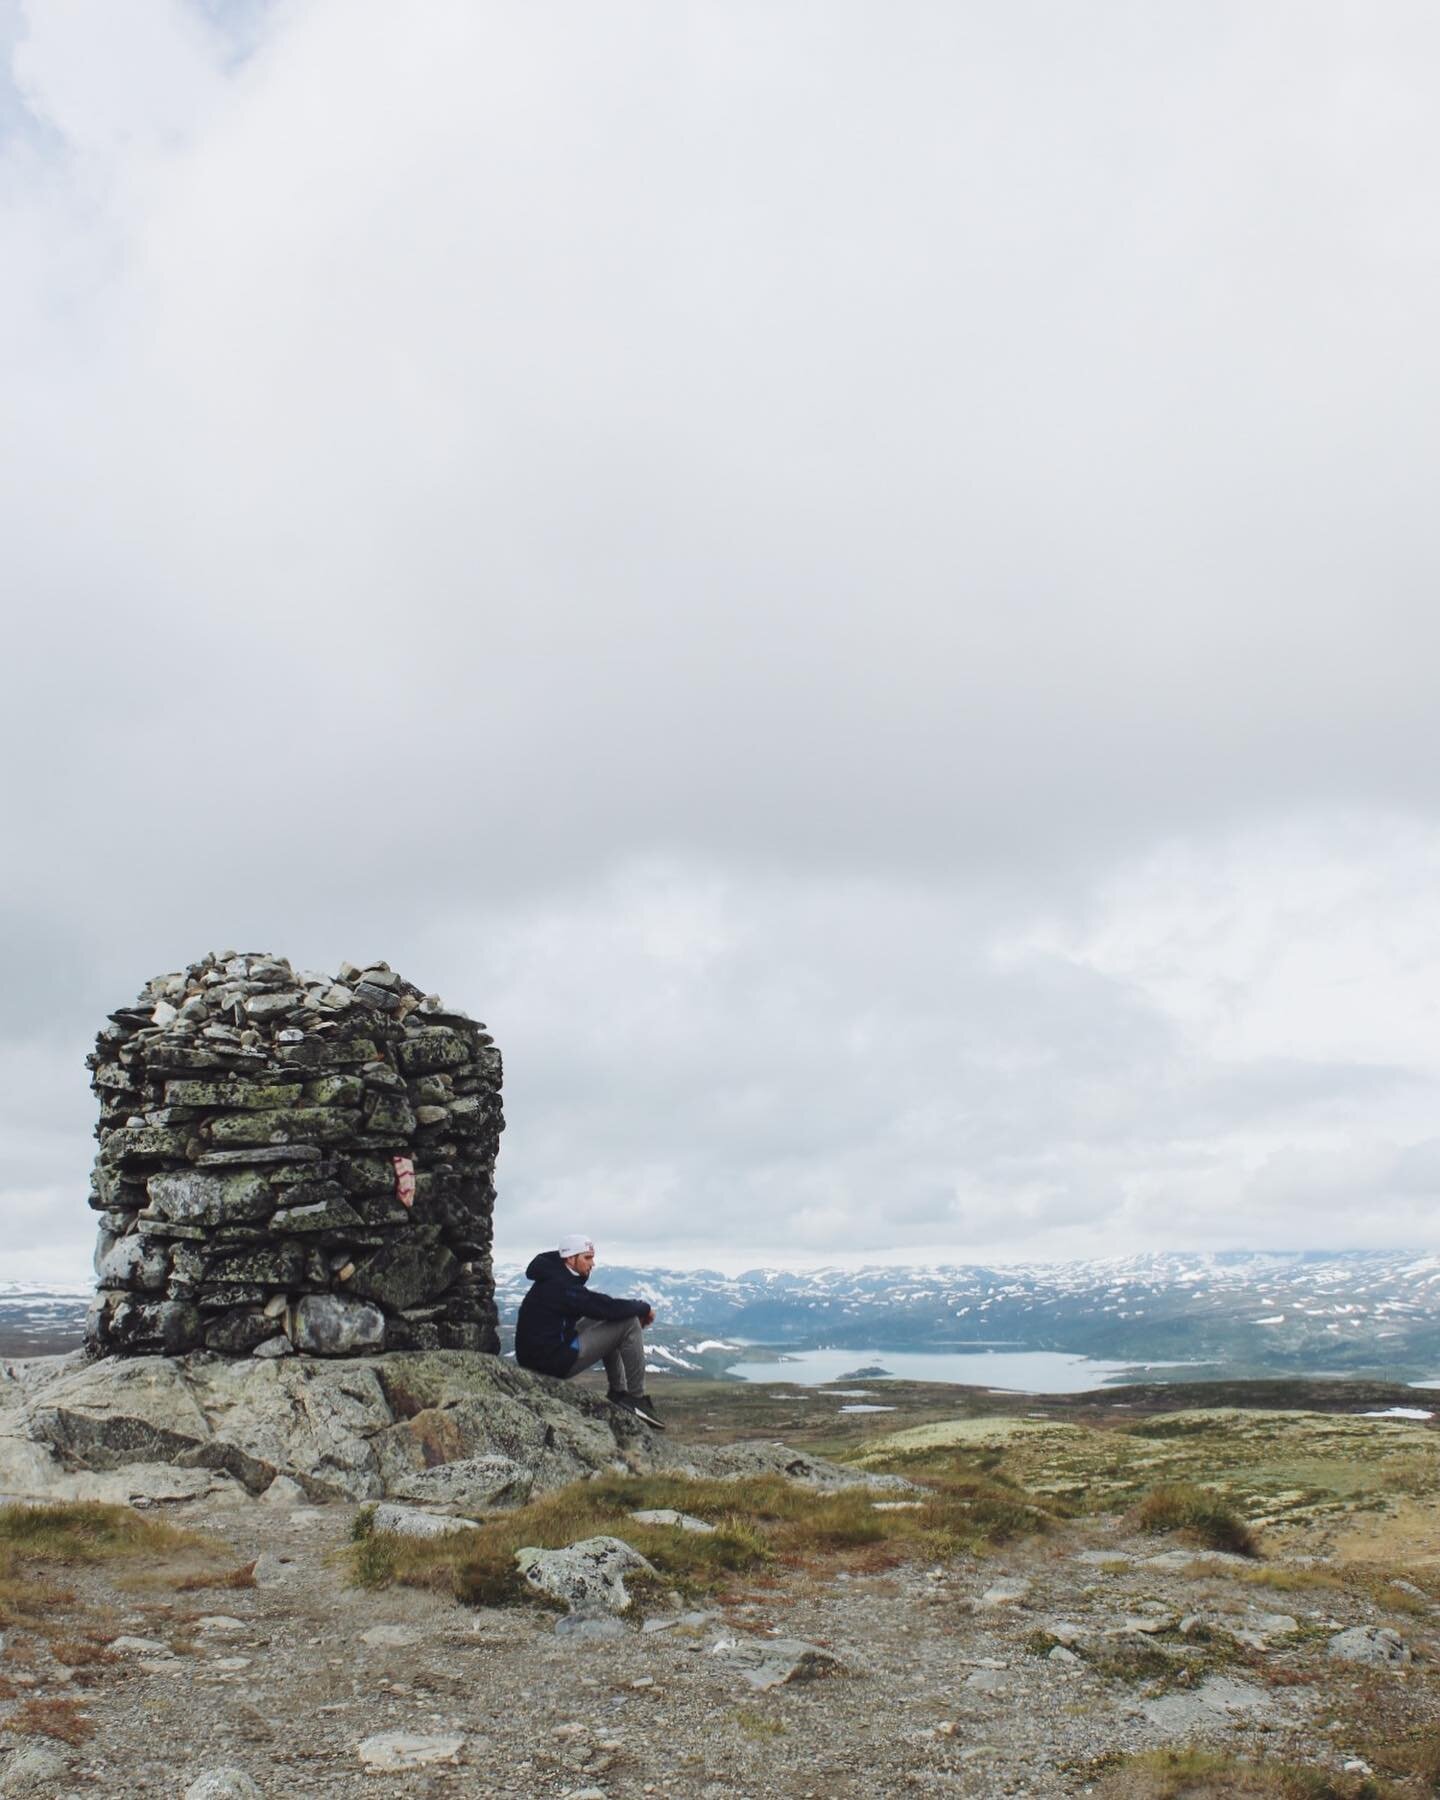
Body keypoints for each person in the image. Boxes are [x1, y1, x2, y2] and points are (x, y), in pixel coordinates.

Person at [514, 1234, 663, 1429]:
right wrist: (643, 1308)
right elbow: (605, 1307)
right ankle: (635, 1398)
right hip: (551, 1362)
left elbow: (598, 1307)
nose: (592, 1264)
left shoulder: (554, 1276)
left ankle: (618, 1392)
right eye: (587, 1258)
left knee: (611, 1317)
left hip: (540, 1356)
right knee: (628, 1323)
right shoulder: (562, 1286)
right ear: (570, 1258)